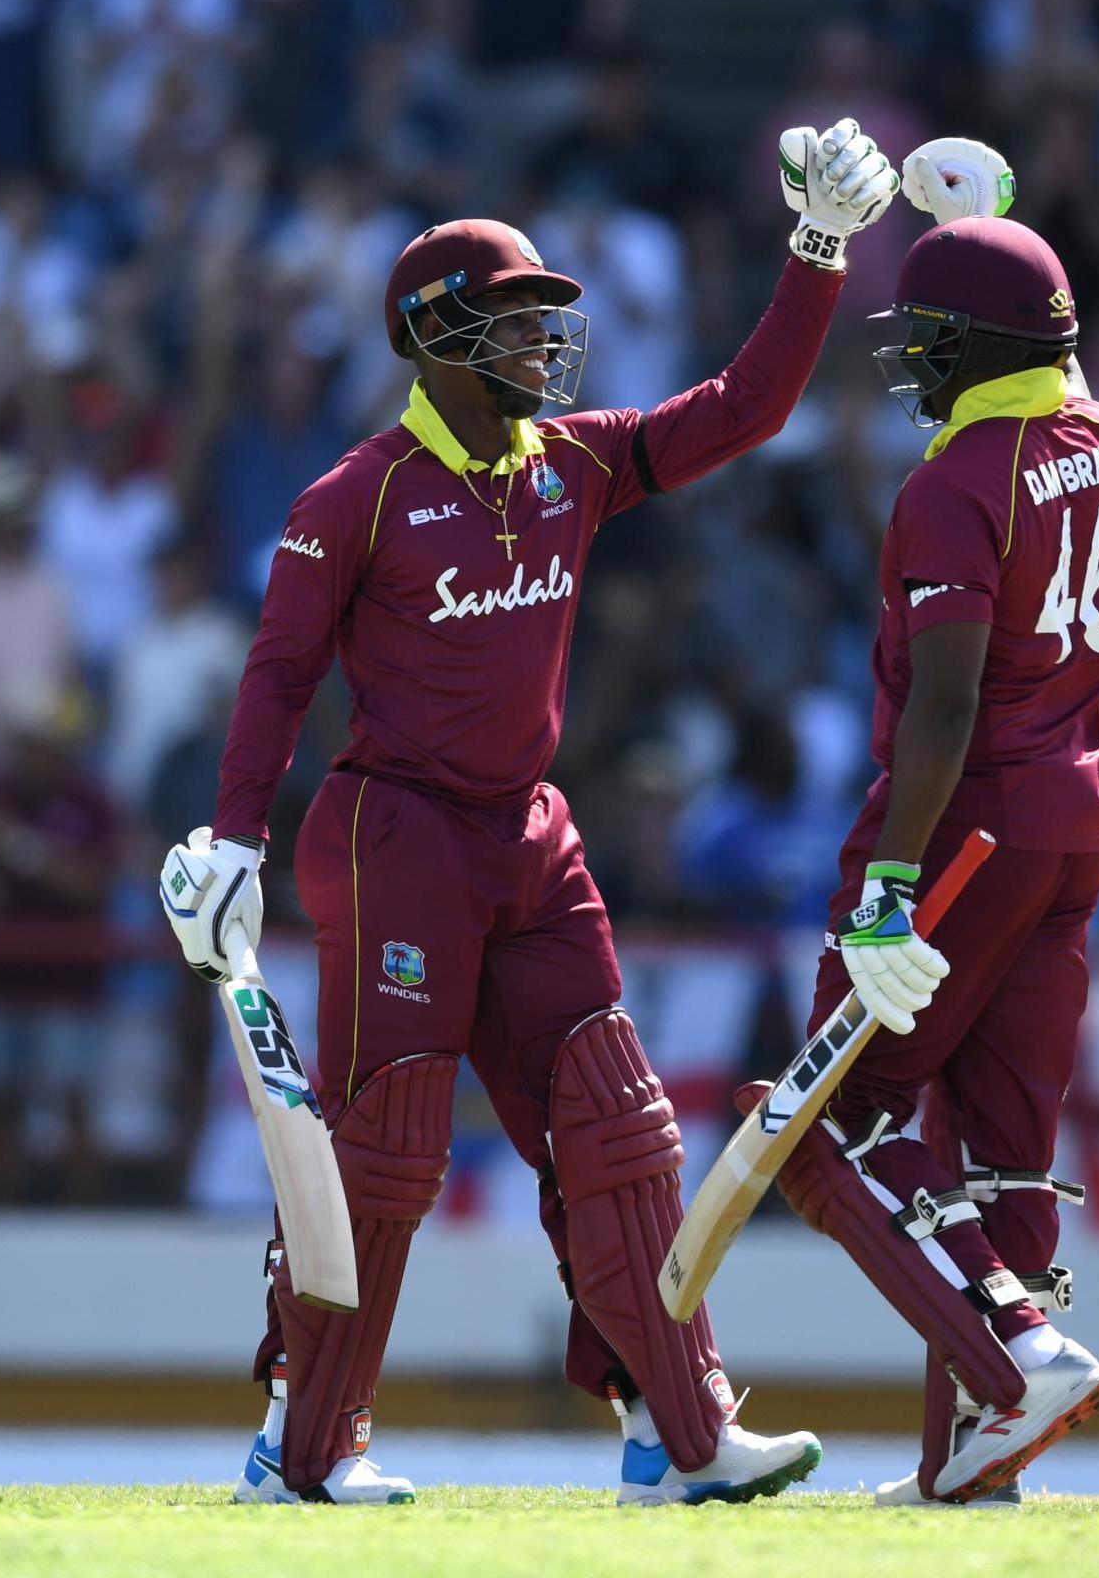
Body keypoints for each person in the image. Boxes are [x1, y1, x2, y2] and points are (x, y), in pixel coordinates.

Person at [159, 120, 901, 1506]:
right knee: (384, 1155)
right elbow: (276, 675)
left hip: (526, 835)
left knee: (619, 1127)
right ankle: (304, 1451)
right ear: (433, 337)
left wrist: (816, 255)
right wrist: (236, 839)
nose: (544, 345)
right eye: (511, 320)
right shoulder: (358, 495)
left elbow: (744, 407)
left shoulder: (574, 462)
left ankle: (679, 1438)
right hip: (393, 841)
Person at [740, 141, 1099, 1506]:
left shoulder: (953, 485)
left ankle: (1018, 1350)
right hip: (1076, 817)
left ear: (985, 348)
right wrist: (983, 230)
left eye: (932, 341)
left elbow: (946, 706)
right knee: (1007, 1142)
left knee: (838, 1115)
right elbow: (1044, 347)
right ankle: (973, 1471)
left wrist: (889, 881)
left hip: (967, 828)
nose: (913, 364)